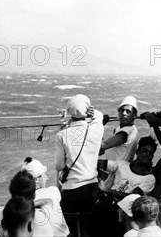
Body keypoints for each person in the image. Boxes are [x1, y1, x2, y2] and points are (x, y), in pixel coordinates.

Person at [55, 94, 104, 237]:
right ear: (87, 110)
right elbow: (99, 117)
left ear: (69, 112)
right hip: (91, 189)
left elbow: (59, 166)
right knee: (85, 229)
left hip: (72, 191)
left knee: (70, 231)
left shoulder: (62, 135)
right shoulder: (96, 129)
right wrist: (94, 113)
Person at [21, 157, 69, 236]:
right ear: (36, 180)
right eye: (43, 175)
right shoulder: (53, 191)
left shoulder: (22, 202)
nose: (46, 178)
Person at [7, 171, 54, 236]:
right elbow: (48, 201)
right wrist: (29, 205)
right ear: (34, 195)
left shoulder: (7, 220)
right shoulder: (43, 216)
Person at [101, 96, 140, 162]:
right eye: (122, 110)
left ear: (134, 115)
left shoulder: (124, 133)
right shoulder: (123, 129)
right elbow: (101, 151)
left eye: (128, 111)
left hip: (117, 170)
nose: (124, 113)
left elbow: (102, 146)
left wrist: (100, 125)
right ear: (118, 113)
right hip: (117, 167)